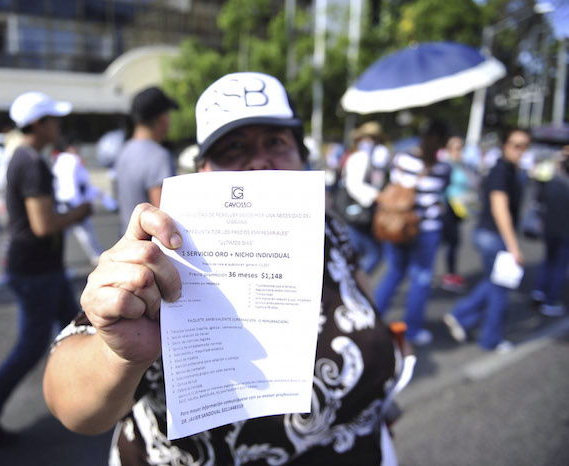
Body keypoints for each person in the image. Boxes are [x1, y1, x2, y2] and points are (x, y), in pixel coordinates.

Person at [43, 72, 407, 465]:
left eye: (276, 142)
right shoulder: (171, 254)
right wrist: (118, 354)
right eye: (232, 148)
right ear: (204, 170)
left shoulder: (329, 230)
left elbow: (364, 305)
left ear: (301, 157)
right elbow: (73, 408)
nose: (258, 162)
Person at [0, 91, 92, 446]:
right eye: (53, 119)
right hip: (35, 269)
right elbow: (43, 225)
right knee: (33, 346)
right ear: (38, 124)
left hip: (39, 267)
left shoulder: (23, 157)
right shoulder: (30, 162)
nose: (58, 125)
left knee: (78, 327)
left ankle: (95, 395)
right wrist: (79, 213)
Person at [444, 128, 531, 353]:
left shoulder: (510, 169)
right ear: (505, 145)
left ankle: (460, 315)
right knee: (500, 290)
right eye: (516, 145)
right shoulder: (501, 170)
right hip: (493, 236)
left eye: (524, 146)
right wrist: (514, 247)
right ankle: (490, 338)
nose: (520, 150)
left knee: (493, 283)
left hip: (490, 234)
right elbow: (500, 209)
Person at [373, 120, 451, 346]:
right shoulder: (442, 167)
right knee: (421, 278)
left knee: (394, 273)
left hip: (396, 224)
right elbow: (438, 195)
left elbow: (394, 180)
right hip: (425, 229)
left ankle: (373, 320)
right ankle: (413, 329)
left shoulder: (402, 158)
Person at [115, 86, 177, 236]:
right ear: (161, 118)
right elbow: (163, 214)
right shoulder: (159, 156)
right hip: (151, 249)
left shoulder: (123, 151)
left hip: (128, 241)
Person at [336, 121, 390, 273]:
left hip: (361, 214)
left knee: (359, 255)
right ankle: (355, 287)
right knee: (371, 255)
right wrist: (377, 196)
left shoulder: (373, 159)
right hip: (355, 213)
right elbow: (355, 186)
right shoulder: (360, 157)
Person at [529, 146, 569, 317]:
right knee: (559, 267)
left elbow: (539, 204)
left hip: (549, 230)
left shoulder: (551, 183)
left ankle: (539, 291)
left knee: (548, 262)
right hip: (564, 233)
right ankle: (550, 301)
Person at [52, 140, 105, 266]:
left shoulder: (58, 161)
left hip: (63, 203)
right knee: (85, 232)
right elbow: (76, 184)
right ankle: (98, 256)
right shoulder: (72, 160)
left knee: (69, 234)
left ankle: (97, 256)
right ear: (69, 147)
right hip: (74, 203)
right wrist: (79, 206)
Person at [440, 136, 476, 292]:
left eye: (461, 147)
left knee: (452, 242)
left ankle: (450, 273)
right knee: (450, 242)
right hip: (448, 207)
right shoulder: (446, 166)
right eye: (456, 148)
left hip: (459, 208)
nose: (459, 151)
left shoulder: (462, 165)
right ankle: (449, 274)